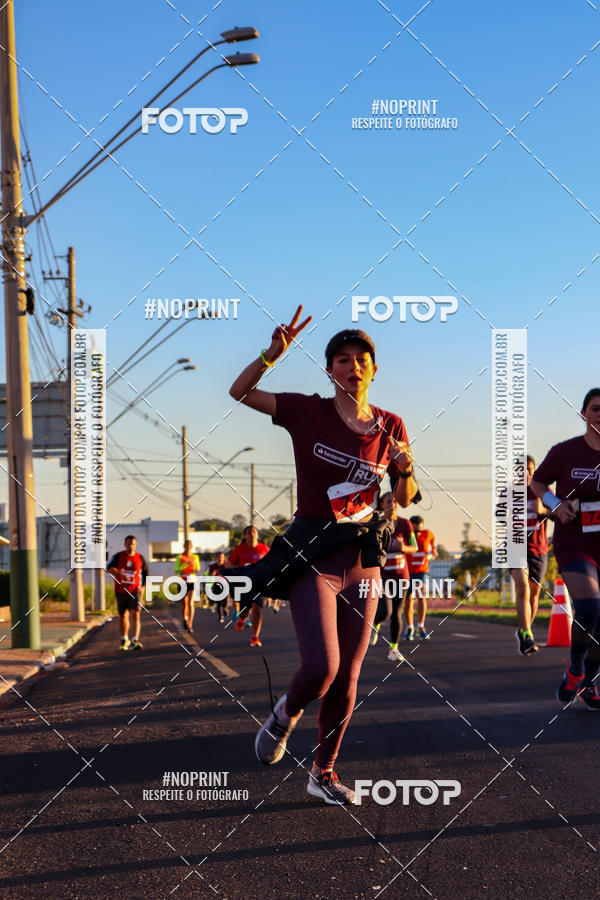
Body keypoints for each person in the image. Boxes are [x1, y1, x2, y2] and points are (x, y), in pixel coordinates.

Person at [229, 310, 418, 804]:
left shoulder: (391, 424)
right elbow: (240, 393)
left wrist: (404, 467)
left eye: (362, 360)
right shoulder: (304, 410)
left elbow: (405, 494)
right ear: (330, 369)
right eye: (342, 359)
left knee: (350, 675)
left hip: (364, 560)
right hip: (314, 553)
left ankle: (324, 772)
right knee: (321, 668)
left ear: (374, 369)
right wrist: (271, 356)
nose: (353, 366)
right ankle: (284, 714)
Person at [530, 388, 600, 708]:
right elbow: (538, 483)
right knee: (589, 608)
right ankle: (575, 669)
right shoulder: (565, 452)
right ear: (584, 413)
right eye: (596, 408)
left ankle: (590, 683)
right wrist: (556, 505)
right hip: (575, 543)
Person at [370, 491, 417, 661]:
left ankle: (394, 649)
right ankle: (375, 624)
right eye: (389, 501)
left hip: (401, 576)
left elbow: (415, 547)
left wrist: (404, 548)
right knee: (385, 612)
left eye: (396, 501)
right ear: (382, 504)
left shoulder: (405, 524)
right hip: (382, 576)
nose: (393, 504)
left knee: (397, 612)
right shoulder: (375, 522)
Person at [510, 456, 549, 656]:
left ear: (534, 471)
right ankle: (527, 635)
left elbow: (557, 511)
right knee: (523, 588)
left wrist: (542, 509)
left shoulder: (543, 490)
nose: (525, 473)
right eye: (521, 470)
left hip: (539, 550)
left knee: (534, 595)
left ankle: (525, 629)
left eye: (529, 469)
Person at [229, 526, 270, 647]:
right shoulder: (239, 549)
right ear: (245, 536)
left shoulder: (264, 549)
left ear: (257, 535)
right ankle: (242, 618)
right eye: (248, 532)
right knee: (245, 611)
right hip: (244, 585)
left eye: (254, 532)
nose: (251, 534)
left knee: (257, 609)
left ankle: (255, 637)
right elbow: (232, 564)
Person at [107, 535, 149, 651]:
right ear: (125, 544)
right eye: (129, 543)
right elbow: (109, 569)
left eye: (133, 544)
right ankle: (124, 639)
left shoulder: (140, 558)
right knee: (123, 616)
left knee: (136, 614)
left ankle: (135, 639)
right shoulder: (118, 556)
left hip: (135, 591)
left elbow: (146, 575)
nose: (131, 546)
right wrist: (121, 574)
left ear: (136, 545)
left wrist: (143, 590)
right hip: (121, 591)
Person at [403, 516, 437, 640]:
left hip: (422, 571)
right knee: (408, 600)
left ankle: (421, 626)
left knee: (421, 596)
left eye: (419, 530)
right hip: (407, 572)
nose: (418, 533)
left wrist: (433, 549)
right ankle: (410, 627)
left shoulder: (427, 534)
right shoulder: (405, 537)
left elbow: (433, 539)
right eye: (415, 531)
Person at [174, 539, 200, 633]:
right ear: (183, 546)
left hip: (192, 581)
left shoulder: (195, 557)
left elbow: (197, 568)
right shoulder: (180, 557)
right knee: (184, 604)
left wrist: (195, 570)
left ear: (191, 546)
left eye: (189, 545)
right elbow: (176, 570)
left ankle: (190, 624)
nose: (188, 546)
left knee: (190, 603)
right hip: (182, 581)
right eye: (186, 545)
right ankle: (184, 618)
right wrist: (185, 564)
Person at [206, 551, 229, 624]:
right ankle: (220, 616)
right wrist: (211, 575)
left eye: (221, 557)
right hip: (216, 585)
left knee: (225, 600)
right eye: (219, 557)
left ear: (224, 558)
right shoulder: (213, 566)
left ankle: (225, 607)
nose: (220, 558)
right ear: (216, 558)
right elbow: (208, 576)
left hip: (225, 585)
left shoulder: (226, 565)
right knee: (218, 602)